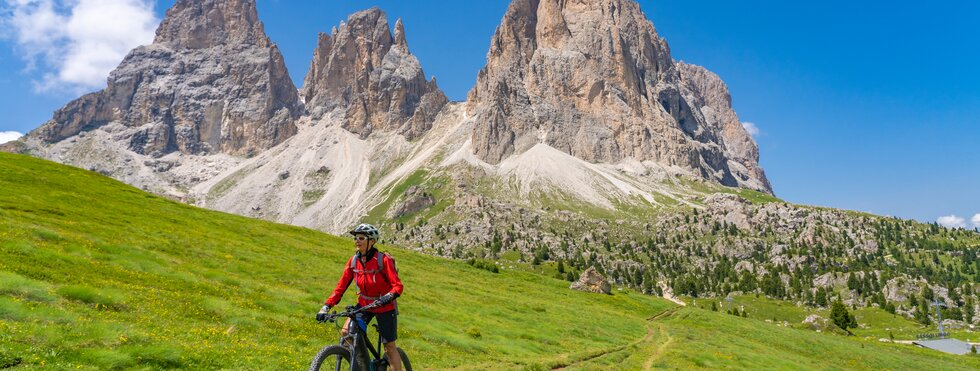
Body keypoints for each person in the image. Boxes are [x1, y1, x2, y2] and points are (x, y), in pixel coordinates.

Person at [317, 223, 404, 371]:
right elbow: (340, 288)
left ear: (371, 241)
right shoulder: (353, 261)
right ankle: (364, 366)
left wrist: (388, 297)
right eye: (356, 238)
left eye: (361, 238)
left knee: (389, 346)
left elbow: (398, 286)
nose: (357, 240)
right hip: (365, 305)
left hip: (385, 307)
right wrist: (326, 307)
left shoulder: (383, 260)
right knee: (346, 333)